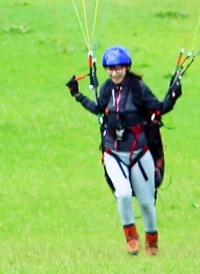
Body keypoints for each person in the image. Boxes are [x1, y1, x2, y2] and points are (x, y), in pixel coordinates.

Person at [69, 45, 183, 255]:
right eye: (110, 69)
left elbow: (159, 109)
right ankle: (131, 237)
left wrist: (174, 96)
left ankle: (152, 241)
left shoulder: (138, 87)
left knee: (147, 202)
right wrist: (77, 95)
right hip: (113, 150)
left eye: (119, 68)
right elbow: (98, 110)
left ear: (127, 67)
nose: (114, 72)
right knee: (122, 194)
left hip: (139, 150)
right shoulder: (106, 88)